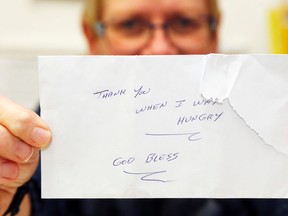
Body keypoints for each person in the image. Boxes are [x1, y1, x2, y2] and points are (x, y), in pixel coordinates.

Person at [0, 0, 285, 215]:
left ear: (214, 32)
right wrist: (7, 192)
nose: (160, 49)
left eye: (184, 23)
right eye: (130, 25)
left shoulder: (262, 126)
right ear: (92, 36)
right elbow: (29, 202)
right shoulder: (53, 122)